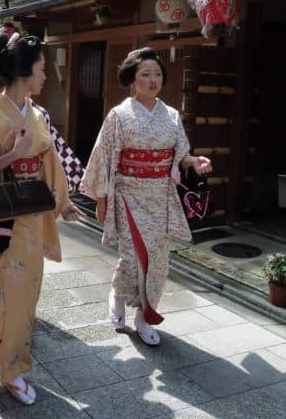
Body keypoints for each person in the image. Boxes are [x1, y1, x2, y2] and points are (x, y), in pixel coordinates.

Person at [0, 32, 82, 406]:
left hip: (28, 218)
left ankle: (13, 369)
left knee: (25, 299)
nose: (47, 77)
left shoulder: (37, 115)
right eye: (42, 70)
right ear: (25, 71)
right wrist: (13, 154)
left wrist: (62, 203)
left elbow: (49, 163)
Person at [81, 47, 212, 346]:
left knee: (158, 260)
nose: (153, 80)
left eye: (157, 74)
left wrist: (193, 162)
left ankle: (144, 316)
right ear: (133, 79)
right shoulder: (119, 116)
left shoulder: (172, 115)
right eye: (145, 75)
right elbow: (102, 156)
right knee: (132, 256)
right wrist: (101, 198)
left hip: (160, 197)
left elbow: (181, 154)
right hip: (128, 194)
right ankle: (118, 293)